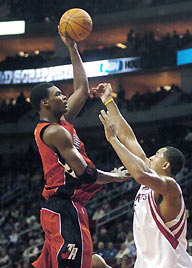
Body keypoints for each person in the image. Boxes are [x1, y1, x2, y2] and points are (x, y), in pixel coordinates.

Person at [30, 29, 129, 268]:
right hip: (63, 207)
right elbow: (86, 174)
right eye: (58, 94)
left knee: (89, 263)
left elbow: (82, 90)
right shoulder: (53, 132)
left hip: (68, 207)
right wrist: (115, 177)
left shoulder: (61, 123)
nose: (64, 97)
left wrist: (72, 48)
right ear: (45, 103)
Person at [93, 83, 192, 268]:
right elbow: (130, 138)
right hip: (146, 264)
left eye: (156, 155)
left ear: (165, 165)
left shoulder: (171, 187)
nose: (150, 156)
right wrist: (109, 101)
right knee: (95, 262)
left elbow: (139, 175)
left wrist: (112, 140)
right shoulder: (150, 178)